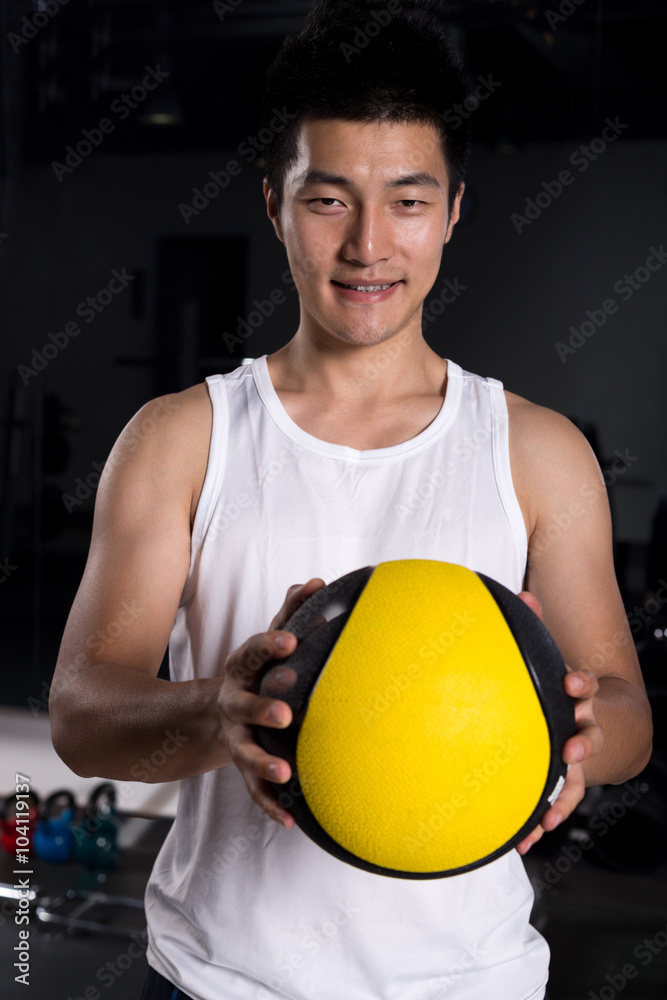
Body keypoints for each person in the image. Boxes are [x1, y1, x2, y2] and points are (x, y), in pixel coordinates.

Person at [49, 2, 652, 998]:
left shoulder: (538, 452)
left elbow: (625, 717)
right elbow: (79, 713)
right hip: (218, 979)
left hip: (469, 981)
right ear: (276, 205)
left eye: (408, 202)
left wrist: (578, 733)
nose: (370, 245)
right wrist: (220, 706)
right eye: (329, 200)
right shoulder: (181, 439)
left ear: (453, 210)